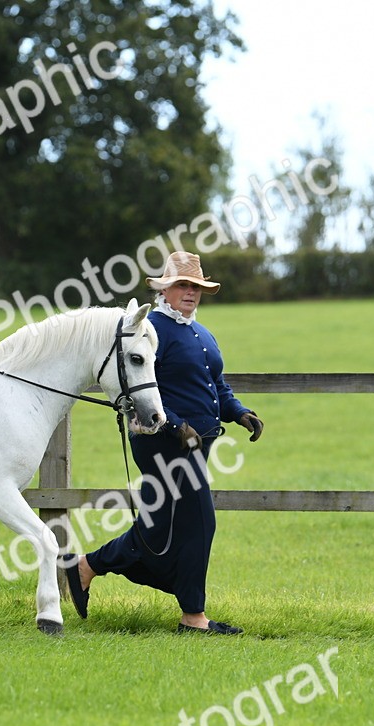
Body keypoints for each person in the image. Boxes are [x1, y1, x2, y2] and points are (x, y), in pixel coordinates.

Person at [62, 251, 264, 634]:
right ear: (165, 289)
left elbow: (215, 384)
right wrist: (174, 428)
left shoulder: (200, 332)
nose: (190, 293)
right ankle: (194, 618)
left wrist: (238, 412)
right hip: (162, 444)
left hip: (197, 444)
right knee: (201, 523)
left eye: (196, 287)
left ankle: (84, 566)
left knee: (157, 530)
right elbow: (143, 390)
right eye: (183, 285)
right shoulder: (152, 329)